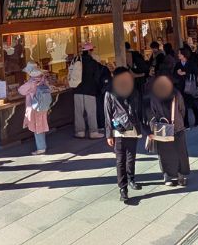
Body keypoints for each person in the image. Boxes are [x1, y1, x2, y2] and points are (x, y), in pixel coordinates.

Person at [104, 67, 145, 202]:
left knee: (129, 157)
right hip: (121, 128)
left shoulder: (131, 89)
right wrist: (109, 134)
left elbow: (139, 109)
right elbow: (107, 113)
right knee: (122, 159)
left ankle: (130, 180)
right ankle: (124, 187)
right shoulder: (111, 91)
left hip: (128, 127)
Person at [147, 75, 190, 186]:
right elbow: (182, 110)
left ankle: (167, 177)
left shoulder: (154, 95)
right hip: (177, 127)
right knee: (180, 152)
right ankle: (181, 176)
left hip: (162, 129)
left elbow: (152, 112)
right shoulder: (176, 93)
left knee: (164, 153)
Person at [72, 43, 108, 139]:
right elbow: (98, 77)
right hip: (90, 90)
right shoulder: (93, 63)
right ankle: (93, 132)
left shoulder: (76, 60)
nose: (92, 52)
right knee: (91, 112)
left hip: (77, 89)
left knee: (78, 112)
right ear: (89, 51)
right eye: (92, 50)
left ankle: (80, 132)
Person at [18, 62, 53, 155]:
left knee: (38, 127)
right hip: (44, 106)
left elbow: (21, 91)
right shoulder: (43, 80)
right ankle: (42, 146)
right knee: (41, 125)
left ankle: (41, 148)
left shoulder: (31, 83)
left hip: (35, 106)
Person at [176, 46, 198, 127]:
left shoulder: (191, 63)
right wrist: (177, 73)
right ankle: (186, 124)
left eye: (179, 53)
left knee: (193, 104)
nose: (178, 55)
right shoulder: (178, 64)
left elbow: (195, 72)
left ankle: (197, 120)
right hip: (181, 87)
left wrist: (185, 73)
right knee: (184, 106)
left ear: (184, 55)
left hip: (190, 86)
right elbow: (174, 75)